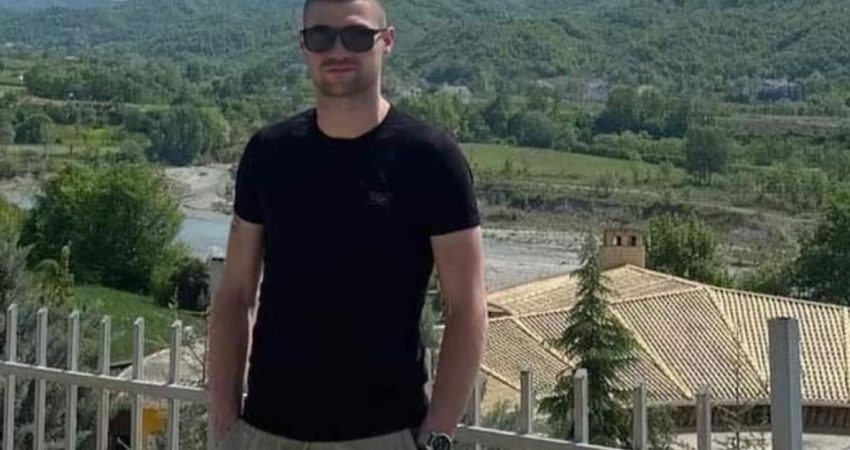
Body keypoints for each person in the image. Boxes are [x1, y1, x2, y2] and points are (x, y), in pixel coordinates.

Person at [208, 0, 487, 448]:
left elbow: (467, 307)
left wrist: (436, 435)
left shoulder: (431, 160)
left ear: (387, 42)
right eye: (321, 36)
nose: (337, 50)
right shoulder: (269, 153)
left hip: (383, 435)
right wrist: (225, 422)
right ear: (303, 46)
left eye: (356, 36)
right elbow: (236, 294)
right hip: (265, 431)